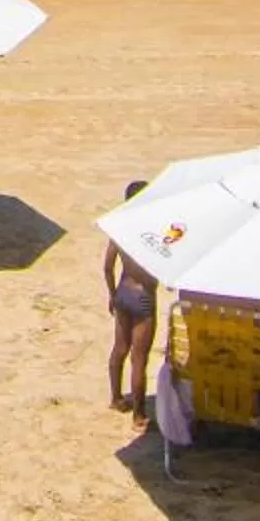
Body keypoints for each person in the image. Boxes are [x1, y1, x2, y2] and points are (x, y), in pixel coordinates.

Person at [103, 180, 159, 423]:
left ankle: (116, 398)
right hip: (144, 296)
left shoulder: (120, 227)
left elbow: (107, 267)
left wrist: (111, 294)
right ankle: (139, 414)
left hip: (123, 292)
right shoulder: (153, 230)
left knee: (119, 349)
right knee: (139, 358)